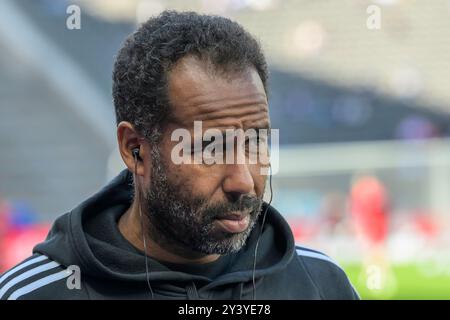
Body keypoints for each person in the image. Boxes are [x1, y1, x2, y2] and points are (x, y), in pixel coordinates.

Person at [0, 11, 358, 300]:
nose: (243, 181)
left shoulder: (320, 284)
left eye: (256, 141)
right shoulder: (38, 293)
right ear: (134, 149)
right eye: (209, 147)